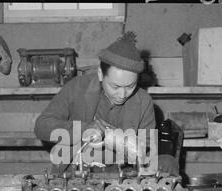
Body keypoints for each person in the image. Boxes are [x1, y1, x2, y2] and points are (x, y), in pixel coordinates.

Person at [34, 32, 179, 176]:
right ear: (100, 74)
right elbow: (42, 126)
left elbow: (147, 148)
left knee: (168, 162)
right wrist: (83, 129)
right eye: (115, 87)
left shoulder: (143, 101)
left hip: (123, 172)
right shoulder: (77, 88)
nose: (122, 95)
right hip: (77, 169)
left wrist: (120, 140)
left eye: (130, 86)